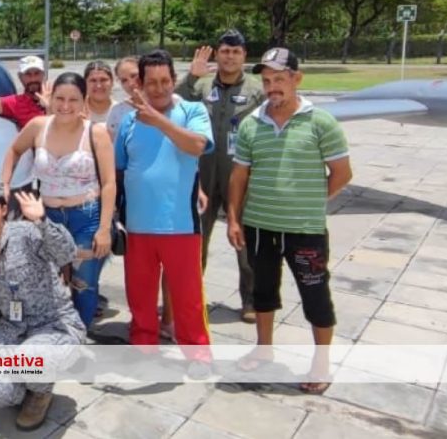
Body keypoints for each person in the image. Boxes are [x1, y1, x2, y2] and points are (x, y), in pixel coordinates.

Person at [229, 48, 352, 395]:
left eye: (279, 79)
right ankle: (264, 348)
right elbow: (239, 175)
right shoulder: (253, 123)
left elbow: (342, 173)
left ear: (296, 79)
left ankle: (321, 362)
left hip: (305, 231)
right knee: (263, 291)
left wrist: (311, 200)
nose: (272, 87)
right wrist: (234, 219)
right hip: (259, 227)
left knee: (315, 294)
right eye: (267, 81)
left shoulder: (320, 122)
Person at [114, 49, 214, 378]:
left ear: (174, 80)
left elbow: (197, 146)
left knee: (187, 297)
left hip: (180, 225)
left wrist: (157, 119)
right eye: (151, 82)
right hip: (138, 226)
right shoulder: (128, 121)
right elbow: (119, 169)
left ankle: (197, 353)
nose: (158, 89)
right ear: (139, 84)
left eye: (165, 81)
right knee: (139, 295)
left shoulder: (192, 110)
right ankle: (143, 344)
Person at [1, 72, 115, 328]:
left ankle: (78, 337)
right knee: (51, 281)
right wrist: (5, 184)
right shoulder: (38, 126)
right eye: (60, 98)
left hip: (86, 217)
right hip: (48, 217)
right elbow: (14, 150)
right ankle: (54, 334)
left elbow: (109, 183)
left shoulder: (96, 133)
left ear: (84, 101)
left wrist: (104, 228)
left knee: (83, 284)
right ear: (50, 99)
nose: (65, 106)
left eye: (73, 100)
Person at [0, 182, 84, 432]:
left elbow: (67, 252)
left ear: (2, 208)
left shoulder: (27, 232)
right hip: (13, 330)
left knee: (29, 359)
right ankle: (27, 383)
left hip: (55, 326)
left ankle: (40, 392)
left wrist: (42, 219)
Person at [177, 30, 266, 323]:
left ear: (244, 55)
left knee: (242, 239)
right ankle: (191, 298)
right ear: (217, 53)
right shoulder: (201, 86)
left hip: (238, 175)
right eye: (225, 51)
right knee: (195, 240)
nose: (230, 56)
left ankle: (250, 300)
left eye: (236, 52)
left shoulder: (256, 89)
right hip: (201, 175)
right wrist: (191, 76)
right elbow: (173, 100)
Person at [0, 55, 48, 130]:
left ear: (43, 74)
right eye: (28, 74)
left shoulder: (56, 96)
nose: (33, 79)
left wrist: (49, 106)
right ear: (20, 77)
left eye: (37, 73)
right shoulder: (16, 103)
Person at [108, 57, 140, 140]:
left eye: (134, 76)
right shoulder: (117, 112)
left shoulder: (167, 102)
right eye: (124, 80)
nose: (131, 83)